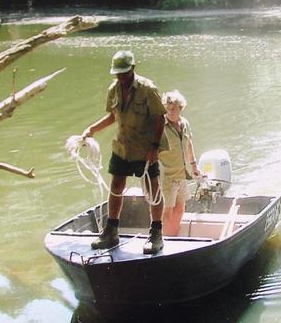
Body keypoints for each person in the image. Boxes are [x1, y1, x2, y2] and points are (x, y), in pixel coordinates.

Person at [82, 50, 167, 254]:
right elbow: (114, 116)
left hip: (144, 148)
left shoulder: (148, 89)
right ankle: (111, 231)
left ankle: (156, 233)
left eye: (124, 73)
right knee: (116, 187)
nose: (121, 77)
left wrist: (154, 147)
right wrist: (92, 129)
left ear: (133, 69)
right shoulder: (114, 89)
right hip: (122, 147)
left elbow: (159, 118)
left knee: (152, 189)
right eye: (117, 74)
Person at [159, 90, 201, 236]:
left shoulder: (184, 124)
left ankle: (173, 235)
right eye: (168, 108)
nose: (170, 111)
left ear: (180, 108)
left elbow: (189, 144)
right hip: (167, 176)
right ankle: (164, 239)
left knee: (180, 208)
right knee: (167, 210)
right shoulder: (159, 126)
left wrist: (194, 165)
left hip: (182, 175)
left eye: (174, 108)